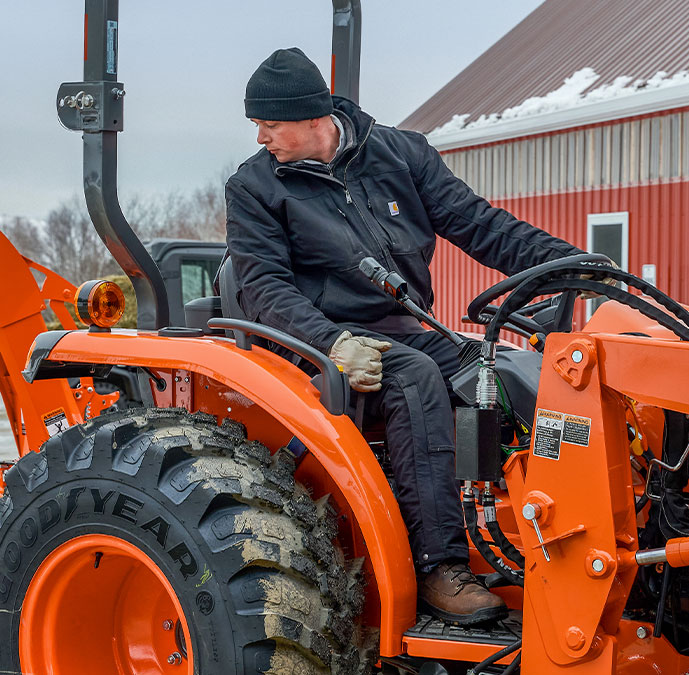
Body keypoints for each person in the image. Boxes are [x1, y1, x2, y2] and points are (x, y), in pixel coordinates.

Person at [225, 48, 586, 625]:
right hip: (310, 339)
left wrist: (569, 264)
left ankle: (552, 542)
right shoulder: (255, 186)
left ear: (314, 117)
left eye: (271, 124)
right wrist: (332, 342)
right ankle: (437, 567)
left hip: (399, 324)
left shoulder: (401, 154)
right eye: (257, 126)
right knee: (415, 380)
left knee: (514, 375)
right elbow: (264, 285)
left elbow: (479, 225)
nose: (262, 136)